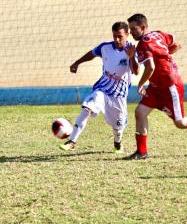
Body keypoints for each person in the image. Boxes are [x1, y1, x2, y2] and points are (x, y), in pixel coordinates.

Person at [124, 13, 187, 160]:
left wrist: (141, 84)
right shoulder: (158, 34)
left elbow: (150, 67)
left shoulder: (143, 45)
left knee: (180, 122)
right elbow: (173, 44)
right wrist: (170, 51)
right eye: (130, 29)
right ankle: (141, 152)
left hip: (170, 85)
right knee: (140, 112)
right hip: (156, 86)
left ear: (143, 27)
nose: (131, 32)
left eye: (134, 29)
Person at [59, 22, 139, 153]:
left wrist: (131, 57)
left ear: (127, 35)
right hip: (102, 88)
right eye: (114, 36)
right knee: (87, 108)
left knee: (118, 127)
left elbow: (136, 71)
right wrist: (77, 63)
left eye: (120, 36)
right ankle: (72, 141)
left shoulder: (131, 50)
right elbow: (92, 53)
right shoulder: (105, 47)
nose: (117, 40)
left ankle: (117, 143)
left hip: (118, 95)